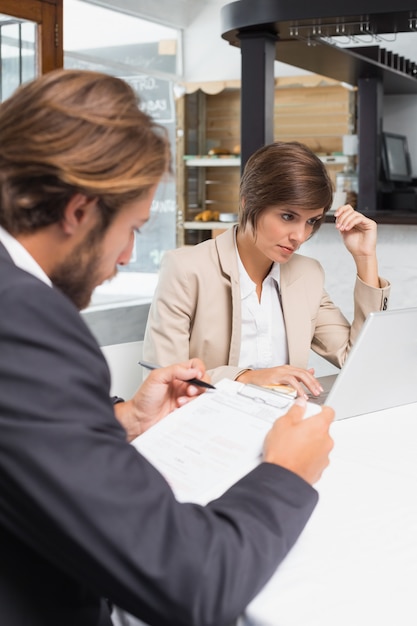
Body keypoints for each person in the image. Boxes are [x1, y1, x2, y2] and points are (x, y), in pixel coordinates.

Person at [0, 69, 334, 626]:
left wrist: (122, 418)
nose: (129, 256)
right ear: (78, 212)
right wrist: (286, 473)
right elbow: (193, 581)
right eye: (132, 228)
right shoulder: (27, 322)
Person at [143, 141, 391, 398]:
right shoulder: (186, 269)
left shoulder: (307, 275)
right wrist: (247, 377)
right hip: (208, 427)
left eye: (311, 221)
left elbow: (360, 359)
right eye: (287, 216)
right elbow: (163, 380)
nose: (299, 236)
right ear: (247, 202)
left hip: (285, 425)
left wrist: (365, 258)